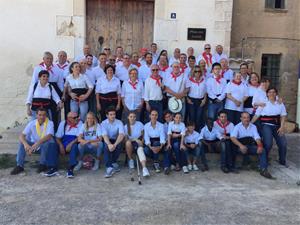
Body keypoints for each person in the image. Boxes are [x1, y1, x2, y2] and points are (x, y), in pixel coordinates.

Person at [10, 108, 58, 177]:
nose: (42, 117)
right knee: (22, 142)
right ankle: (19, 166)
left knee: (47, 142)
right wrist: (26, 145)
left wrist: (37, 144)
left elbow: (49, 136)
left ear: (46, 115)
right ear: (36, 115)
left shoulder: (50, 123)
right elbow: (21, 135)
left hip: (43, 147)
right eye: (40, 115)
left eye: (44, 115)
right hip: (34, 146)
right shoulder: (32, 123)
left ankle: (42, 164)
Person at [251, 87, 287, 166]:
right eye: (270, 92)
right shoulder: (263, 103)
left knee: (283, 143)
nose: (272, 94)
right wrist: (250, 123)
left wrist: (282, 127)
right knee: (268, 143)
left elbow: (283, 115)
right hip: (266, 125)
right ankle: (264, 160)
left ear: (276, 94)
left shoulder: (280, 103)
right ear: (267, 94)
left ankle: (282, 161)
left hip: (277, 126)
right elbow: (256, 115)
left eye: (273, 92)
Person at [230, 112, 273, 179]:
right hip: (240, 147)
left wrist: (260, 146)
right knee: (233, 148)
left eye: (248, 117)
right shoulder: (237, 127)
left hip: (250, 146)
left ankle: (263, 170)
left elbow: (257, 138)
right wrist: (241, 146)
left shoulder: (253, 127)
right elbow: (232, 138)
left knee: (263, 150)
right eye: (244, 118)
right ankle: (233, 166)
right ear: (241, 119)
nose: (246, 119)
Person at [55, 112, 83, 178]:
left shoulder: (80, 123)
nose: (77, 119)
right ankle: (53, 167)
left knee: (74, 146)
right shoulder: (63, 123)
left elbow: (79, 137)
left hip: (73, 143)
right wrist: (61, 145)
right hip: (64, 142)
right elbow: (57, 137)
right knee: (53, 145)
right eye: (74, 118)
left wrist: (70, 144)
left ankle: (71, 168)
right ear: (69, 118)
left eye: (77, 116)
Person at [144, 109, 171, 174]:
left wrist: (160, 147)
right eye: (152, 115)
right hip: (150, 144)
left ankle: (165, 167)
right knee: (145, 150)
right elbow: (146, 138)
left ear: (157, 116)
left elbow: (162, 137)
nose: (154, 116)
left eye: (156, 115)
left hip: (159, 143)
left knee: (167, 149)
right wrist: (151, 147)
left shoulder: (161, 125)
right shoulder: (146, 126)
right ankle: (156, 162)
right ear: (150, 116)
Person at [124, 111, 150, 177]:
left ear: (136, 117)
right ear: (128, 117)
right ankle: (131, 160)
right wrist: (135, 139)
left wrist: (142, 142)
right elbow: (126, 139)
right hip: (130, 143)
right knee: (128, 143)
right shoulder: (125, 126)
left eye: (134, 117)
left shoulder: (140, 124)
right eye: (131, 117)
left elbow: (143, 135)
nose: (132, 118)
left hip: (139, 142)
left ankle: (144, 168)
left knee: (140, 150)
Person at [101, 107, 125, 178]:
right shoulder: (103, 123)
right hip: (107, 139)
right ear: (107, 115)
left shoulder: (119, 122)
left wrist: (114, 145)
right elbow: (104, 135)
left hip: (116, 140)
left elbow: (121, 134)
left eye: (114, 114)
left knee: (119, 145)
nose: (113, 116)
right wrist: (109, 144)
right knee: (106, 146)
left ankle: (113, 162)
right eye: (111, 114)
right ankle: (109, 167)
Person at [186, 65, 207, 130]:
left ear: (201, 72)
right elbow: (186, 90)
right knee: (192, 117)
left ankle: (197, 133)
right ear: (193, 72)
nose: (197, 73)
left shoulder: (204, 80)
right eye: (195, 71)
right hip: (191, 100)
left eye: (199, 71)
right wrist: (187, 99)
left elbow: (206, 91)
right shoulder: (189, 80)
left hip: (201, 101)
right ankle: (192, 132)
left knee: (199, 117)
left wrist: (204, 100)